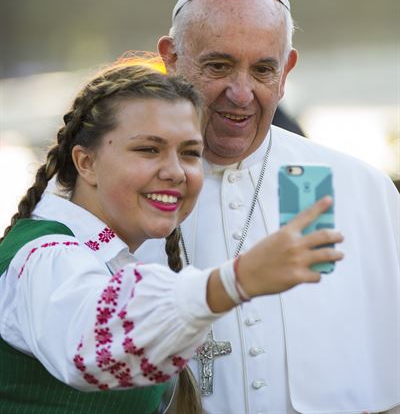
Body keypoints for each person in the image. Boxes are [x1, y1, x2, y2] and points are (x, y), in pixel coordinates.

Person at [0, 60, 344, 414]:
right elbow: (92, 340)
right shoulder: (45, 256)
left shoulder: (103, 255)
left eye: (190, 153)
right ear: (86, 163)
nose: (175, 171)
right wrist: (235, 280)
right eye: (148, 149)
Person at [137, 0, 400, 413]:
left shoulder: (360, 189)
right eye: (218, 66)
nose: (240, 93)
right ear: (172, 58)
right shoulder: (114, 191)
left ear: (286, 71)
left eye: (263, 69)